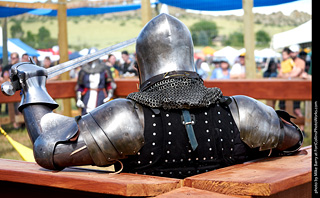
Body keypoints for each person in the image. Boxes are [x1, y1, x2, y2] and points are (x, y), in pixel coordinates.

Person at [5, 14, 303, 179]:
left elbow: (48, 148)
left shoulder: (127, 118)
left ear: (139, 68)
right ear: (192, 61)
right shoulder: (244, 112)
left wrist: (32, 84)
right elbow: (294, 138)